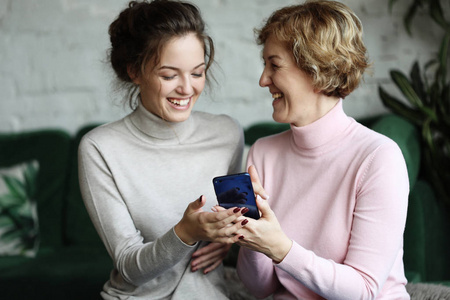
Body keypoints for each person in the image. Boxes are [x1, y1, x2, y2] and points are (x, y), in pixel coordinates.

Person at [234, 1, 410, 299]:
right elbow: (259, 288)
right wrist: (252, 236)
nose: (263, 80)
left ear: (316, 69)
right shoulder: (263, 153)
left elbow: (364, 290)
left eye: (274, 65)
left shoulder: (378, 157)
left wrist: (281, 247)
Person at [78, 0, 246, 299]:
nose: (186, 88)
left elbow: (239, 218)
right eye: (169, 75)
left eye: (197, 73)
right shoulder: (100, 148)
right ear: (135, 71)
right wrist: (186, 233)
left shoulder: (228, 133)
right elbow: (129, 267)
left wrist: (229, 240)